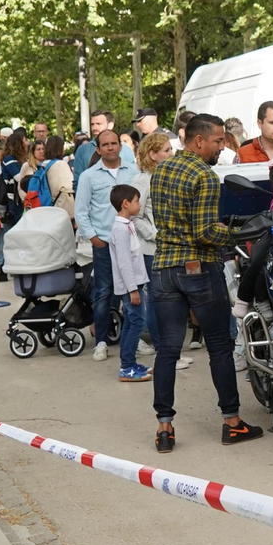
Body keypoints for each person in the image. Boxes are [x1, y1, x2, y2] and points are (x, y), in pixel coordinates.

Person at [148, 114, 261, 452]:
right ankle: (232, 423)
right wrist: (241, 232)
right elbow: (205, 233)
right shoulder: (205, 176)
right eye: (218, 141)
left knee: (168, 350)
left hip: (163, 268)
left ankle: (164, 428)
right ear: (199, 141)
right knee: (219, 346)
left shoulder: (161, 170)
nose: (222, 147)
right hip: (198, 269)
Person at [74, 129, 139, 360]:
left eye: (114, 143)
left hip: (130, 242)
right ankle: (101, 341)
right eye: (105, 144)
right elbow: (81, 212)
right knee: (103, 292)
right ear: (99, 149)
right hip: (104, 243)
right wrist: (94, 237)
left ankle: (134, 339)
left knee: (133, 290)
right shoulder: (88, 176)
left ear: (120, 146)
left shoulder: (133, 172)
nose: (110, 147)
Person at [134, 131, 176, 367]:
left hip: (171, 246)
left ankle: (169, 351)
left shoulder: (169, 176)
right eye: (166, 150)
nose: (171, 153)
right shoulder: (142, 182)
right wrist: (156, 235)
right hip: (152, 249)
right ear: (152, 154)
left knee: (168, 298)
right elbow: (135, 216)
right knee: (156, 298)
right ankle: (163, 351)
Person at [108, 184, 152, 383]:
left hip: (135, 283)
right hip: (130, 286)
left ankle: (129, 362)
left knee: (131, 322)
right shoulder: (120, 230)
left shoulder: (127, 225)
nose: (139, 204)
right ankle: (126, 367)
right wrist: (132, 289)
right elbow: (124, 262)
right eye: (136, 201)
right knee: (138, 323)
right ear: (125, 203)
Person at [72, 110, 115, 192]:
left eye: (98, 124)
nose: (94, 128)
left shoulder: (125, 150)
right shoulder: (83, 150)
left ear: (110, 125)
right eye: (92, 124)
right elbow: (78, 183)